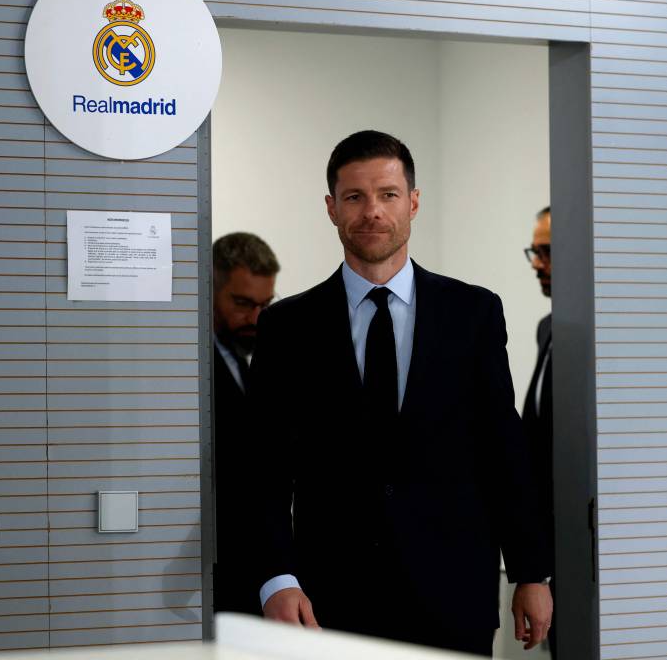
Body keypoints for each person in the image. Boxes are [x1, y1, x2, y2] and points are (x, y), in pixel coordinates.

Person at [245, 130, 552, 657]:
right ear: (331, 208)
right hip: (329, 599)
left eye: (388, 194)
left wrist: (530, 572)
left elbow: (503, 448)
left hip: (453, 595)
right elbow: (263, 468)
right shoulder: (286, 327)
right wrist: (276, 578)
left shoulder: (473, 313)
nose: (372, 211)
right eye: (354, 196)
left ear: (413, 202)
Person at [211, 232, 279, 616]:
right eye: (242, 303)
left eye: (265, 305)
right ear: (209, 289)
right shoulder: (185, 361)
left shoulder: (241, 358)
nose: (256, 318)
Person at [523, 206, 555, 658]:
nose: (537, 264)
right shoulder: (548, 328)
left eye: (546, 252)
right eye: (535, 252)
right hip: (550, 553)